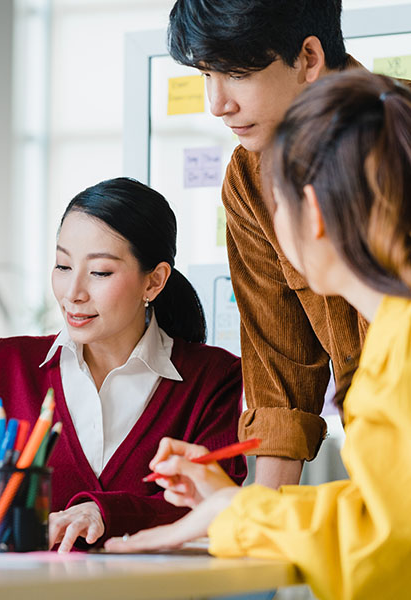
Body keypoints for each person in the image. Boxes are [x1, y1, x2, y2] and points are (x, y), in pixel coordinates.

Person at [106, 71, 411, 600]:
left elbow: (383, 548)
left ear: (311, 212)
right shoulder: (391, 336)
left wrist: (238, 514)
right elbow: (385, 513)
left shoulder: (399, 351)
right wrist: (235, 504)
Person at [0, 178, 245, 552]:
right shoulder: (6, 366)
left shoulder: (214, 378)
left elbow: (215, 508)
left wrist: (102, 513)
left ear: (154, 281)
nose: (72, 293)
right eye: (63, 266)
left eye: (100, 272)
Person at [167, 0, 366, 488]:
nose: (217, 104)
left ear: (309, 58)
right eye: (205, 75)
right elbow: (279, 375)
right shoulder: (248, 177)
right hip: (379, 474)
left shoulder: (394, 141)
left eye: (236, 73)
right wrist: (254, 529)